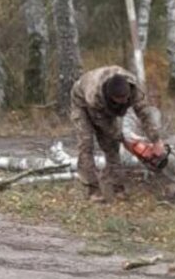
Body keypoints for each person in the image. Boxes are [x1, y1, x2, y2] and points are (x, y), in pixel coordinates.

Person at [70, 65, 164, 203]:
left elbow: (145, 111)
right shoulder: (95, 96)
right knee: (87, 144)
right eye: (121, 100)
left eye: (127, 98)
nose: (125, 102)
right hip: (81, 101)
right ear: (112, 97)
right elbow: (104, 125)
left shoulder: (133, 88)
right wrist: (124, 139)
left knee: (112, 147)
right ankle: (93, 189)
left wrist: (156, 140)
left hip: (104, 101)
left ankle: (117, 186)